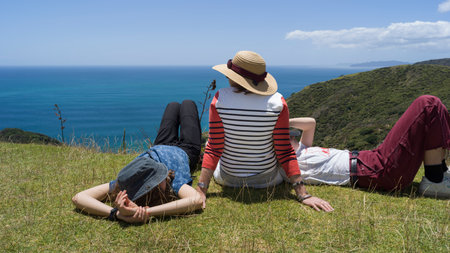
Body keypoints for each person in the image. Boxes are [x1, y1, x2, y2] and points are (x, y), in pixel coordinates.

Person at [196, 50, 333, 212]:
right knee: (280, 144)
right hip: (267, 181)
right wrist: (303, 194)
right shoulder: (278, 102)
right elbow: (284, 151)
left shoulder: (220, 99)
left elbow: (214, 147)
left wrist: (201, 189)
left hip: (227, 179)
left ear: (233, 77)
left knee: (210, 141)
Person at [289, 95, 450, 198]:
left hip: (372, 160)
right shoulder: (290, 164)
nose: (290, 135)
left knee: (438, 108)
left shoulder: (303, 149)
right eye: (286, 135)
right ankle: (434, 180)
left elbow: (311, 123)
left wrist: (283, 122)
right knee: (428, 104)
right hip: (375, 170)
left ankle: (441, 173)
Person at [72, 100, 204, 223]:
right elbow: (196, 200)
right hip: (186, 150)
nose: (164, 171)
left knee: (173, 106)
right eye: (159, 175)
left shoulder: (127, 180)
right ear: (157, 187)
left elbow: (78, 197)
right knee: (188, 104)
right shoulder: (172, 181)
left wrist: (115, 213)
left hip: (160, 144)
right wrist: (148, 212)